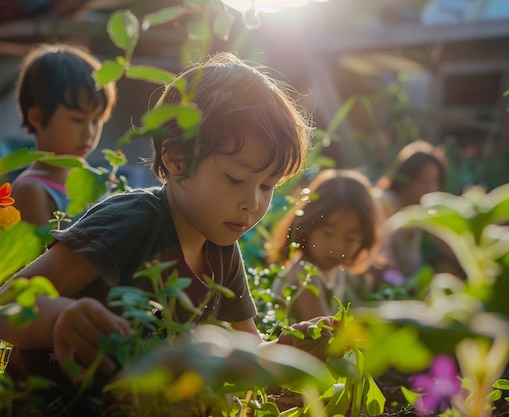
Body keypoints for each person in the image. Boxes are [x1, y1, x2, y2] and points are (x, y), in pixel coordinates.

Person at [0, 52, 333, 413]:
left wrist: (290, 348)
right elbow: (8, 304)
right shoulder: (131, 222)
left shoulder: (221, 249)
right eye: (235, 179)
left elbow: (245, 351)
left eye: (267, 186)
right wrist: (59, 318)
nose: (251, 203)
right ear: (177, 160)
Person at [11, 43, 117, 228]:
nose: (89, 133)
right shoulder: (31, 190)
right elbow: (42, 256)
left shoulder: (96, 179)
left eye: (96, 120)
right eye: (77, 120)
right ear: (38, 117)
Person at [268, 168, 379, 322]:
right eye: (328, 233)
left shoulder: (334, 271)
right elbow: (326, 338)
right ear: (308, 225)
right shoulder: (306, 276)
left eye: (350, 238)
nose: (337, 246)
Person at [371, 139, 457, 286]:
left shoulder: (417, 212)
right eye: (423, 181)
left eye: (434, 183)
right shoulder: (383, 205)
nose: (430, 189)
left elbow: (447, 247)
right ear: (406, 178)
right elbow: (381, 261)